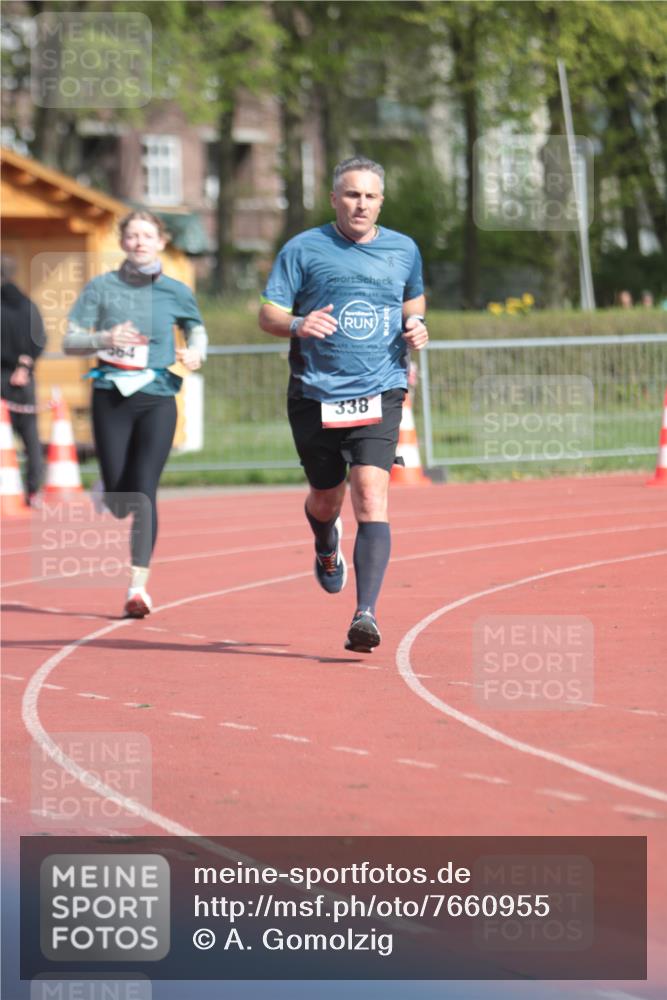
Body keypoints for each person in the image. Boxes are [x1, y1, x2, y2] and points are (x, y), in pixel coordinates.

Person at [259, 155, 428, 653]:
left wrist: (417, 327)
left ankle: (366, 614)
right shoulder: (304, 248)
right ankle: (325, 541)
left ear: (381, 201)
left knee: (371, 496)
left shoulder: (404, 249)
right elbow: (268, 312)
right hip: (315, 392)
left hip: (381, 388)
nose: (361, 203)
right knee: (326, 498)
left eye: (370, 196)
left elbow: (413, 306)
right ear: (335, 199)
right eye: (352, 194)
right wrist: (296, 324)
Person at [64, 210, 207, 618]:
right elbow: (70, 340)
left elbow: (196, 328)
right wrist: (102, 338)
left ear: (161, 241)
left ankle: (137, 588)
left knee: (144, 492)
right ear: (123, 242)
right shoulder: (101, 288)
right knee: (119, 501)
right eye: (133, 235)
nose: (140, 242)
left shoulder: (177, 291)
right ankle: (108, 486)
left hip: (157, 397)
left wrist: (197, 351)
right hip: (111, 395)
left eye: (148, 235)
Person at [1, 254, 46, 506]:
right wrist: (26, 363)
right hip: (25, 376)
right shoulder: (29, 305)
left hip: (2, 374)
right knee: (30, 436)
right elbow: (40, 339)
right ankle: (33, 490)